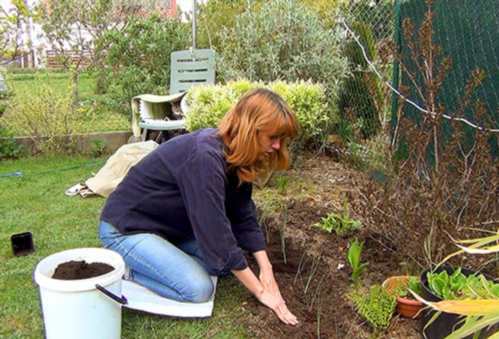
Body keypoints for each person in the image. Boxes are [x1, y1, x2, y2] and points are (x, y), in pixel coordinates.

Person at [99, 88, 299, 325]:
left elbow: (243, 214)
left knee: (224, 267)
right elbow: (216, 236)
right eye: (272, 137)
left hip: (168, 229)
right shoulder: (204, 158)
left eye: (281, 139)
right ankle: (126, 270)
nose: (277, 146)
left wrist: (267, 270)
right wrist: (261, 292)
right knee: (198, 289)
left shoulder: (236, 157)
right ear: (249, 130)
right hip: (127, 228)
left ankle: (157, 258)